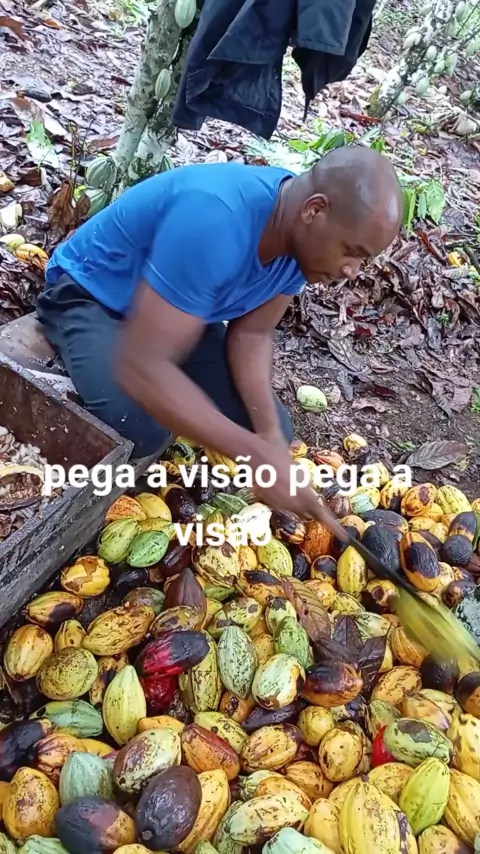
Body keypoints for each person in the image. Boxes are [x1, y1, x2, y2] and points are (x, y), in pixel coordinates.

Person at [37, 145, 404, 516]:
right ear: (315, 210)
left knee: (275, 427)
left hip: (173, 308)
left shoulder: (302, 241)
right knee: (140, 426)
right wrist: (254, 455)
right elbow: (141, 367)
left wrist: (268, 437)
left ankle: (177, 381)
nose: (351, 271)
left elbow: (252, 334)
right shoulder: (216, 219)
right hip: (92, 294)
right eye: (351, 251)